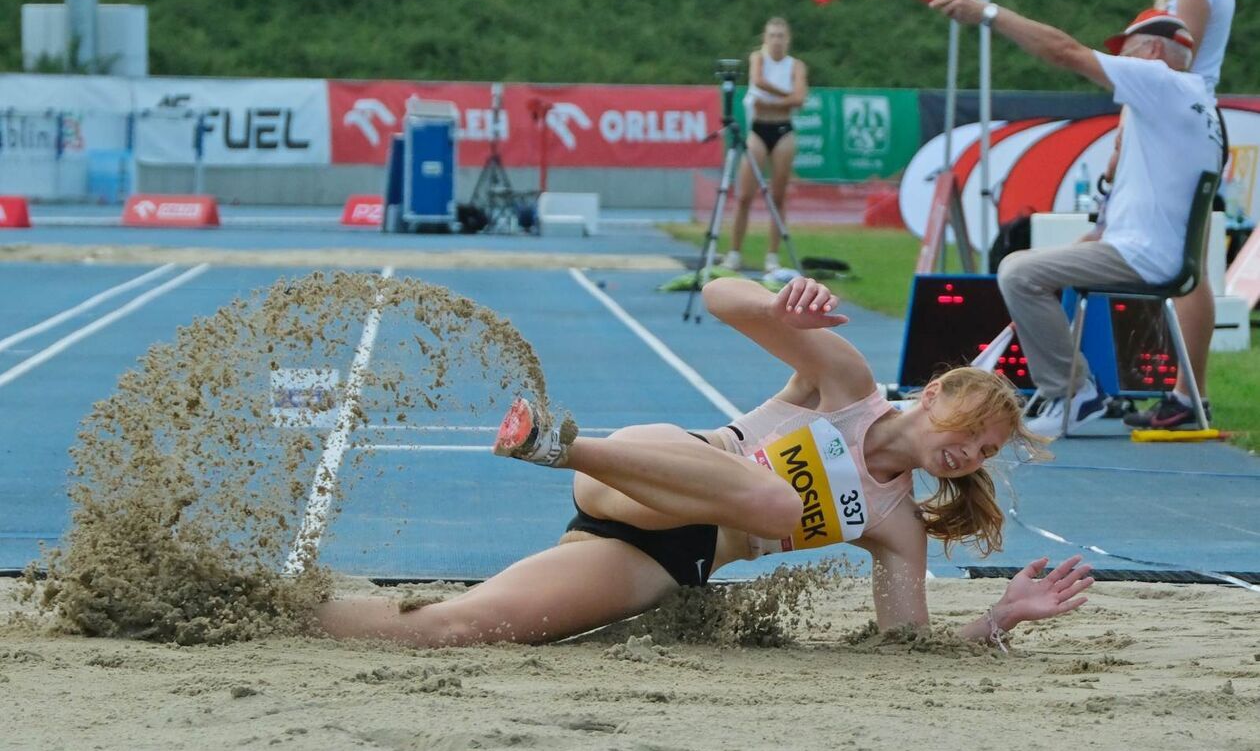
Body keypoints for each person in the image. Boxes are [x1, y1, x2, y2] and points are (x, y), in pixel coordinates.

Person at [316, 275, 1095, 649]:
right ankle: (557, 444)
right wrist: (775, 306)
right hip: (648, 464)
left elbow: (903, 644)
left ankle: (278, 612)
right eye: (974, 429)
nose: (971, 454)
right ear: (933, 396)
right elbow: (721, 299)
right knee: (782, 505)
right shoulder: (848, 385)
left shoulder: (898, 527)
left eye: (987, 454)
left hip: (663, 556)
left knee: (462, 628)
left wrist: (1000, 617)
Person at [928, 0, 1223, 439]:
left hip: (1143, 257)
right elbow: (1112, 227)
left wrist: (987, 14)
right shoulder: (1200, 109)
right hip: (1150, 254)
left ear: (1155, 51)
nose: (1118, 59)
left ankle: (1073, 392)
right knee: (1027, 273)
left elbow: (1064, 51)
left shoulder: (1159, 81)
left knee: (1015, 270)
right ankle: (1069, 387)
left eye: (1128, 47)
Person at [1120, 0, 1235, 431]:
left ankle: (1189, 393)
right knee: (1184, 265)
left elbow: (1167, 59)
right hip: (1177, 127)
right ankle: (1184, 390)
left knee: (1186, 268)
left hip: (1181, 130)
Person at [721, 17, 809, 274]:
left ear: (788, 39)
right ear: (765, 38)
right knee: (745, 195)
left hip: (783, 131)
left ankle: (772, 256)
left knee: (778, 197)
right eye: (772, 35)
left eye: (781, 36)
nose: (777, 41)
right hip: (758, 130)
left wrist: (778, 101)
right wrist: (787, 97)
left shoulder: (796, 66)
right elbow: (758, 82)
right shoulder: (758, 58)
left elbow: (800, 97)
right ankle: (734, 252)